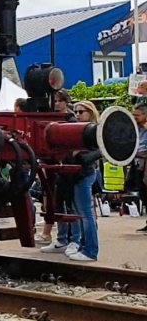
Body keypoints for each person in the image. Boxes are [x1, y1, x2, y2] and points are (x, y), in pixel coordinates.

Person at [35, 89, 77, 246]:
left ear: (66, 102)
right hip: (56, 167)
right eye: (55, 101)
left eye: (60, 101)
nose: (57, 104)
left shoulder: (71, 119)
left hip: (66, 166)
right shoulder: (53, 118)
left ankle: (67, 237)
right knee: (57, 201)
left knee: (66, 202)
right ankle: (61, 236)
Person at [65, 100, 102, 261]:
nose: (78, 115)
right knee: (82, 213)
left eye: (81, 112)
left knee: (86, 214)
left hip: (84, 173)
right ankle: (84, 246)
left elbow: (93, 155)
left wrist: (77, 154)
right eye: (76, 112)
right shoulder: (79, 130)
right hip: (78, 174)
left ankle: (90, 250)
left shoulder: (94, 131)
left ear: (90, 112)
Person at [130, 103, 147, 233]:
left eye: (137, 115)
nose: (134, 117)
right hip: (137, 163)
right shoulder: (135, 129)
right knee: (142, 192)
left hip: (145, 162)